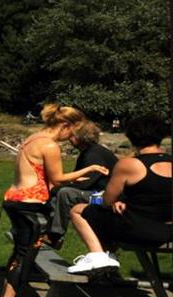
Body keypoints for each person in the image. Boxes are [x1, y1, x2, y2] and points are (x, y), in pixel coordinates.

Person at [0, 104, 108, 297]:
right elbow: (57, 179)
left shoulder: (33, 138)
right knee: (25, 253)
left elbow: (43, 176)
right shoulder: (49, 146)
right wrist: (91, 168)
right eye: (73, 131)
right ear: (65, 125)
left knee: (21, 250)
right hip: (30, 203)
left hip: (16, 198)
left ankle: (9, 296)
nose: (73, 136)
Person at [66, 115, 172, 273]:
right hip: (167, 232)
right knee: (111, 218)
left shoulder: (129, 164)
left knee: (78, 210)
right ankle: (108, 261)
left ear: (132, 138)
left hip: (137, 230)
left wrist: (115, 200)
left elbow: (107, 201)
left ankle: (98, 256)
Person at [43, 120, 117, 250]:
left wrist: (57, 188)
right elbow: (78, 179)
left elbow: (85, 184)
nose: (69, 139)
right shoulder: (89, 152)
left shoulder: (94, 154)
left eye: (72, 136)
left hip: (104, 196)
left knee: (66, 193)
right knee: (58, 193)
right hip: (98, 192)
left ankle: (55, 235)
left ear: (78, 139)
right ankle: (43, 230)